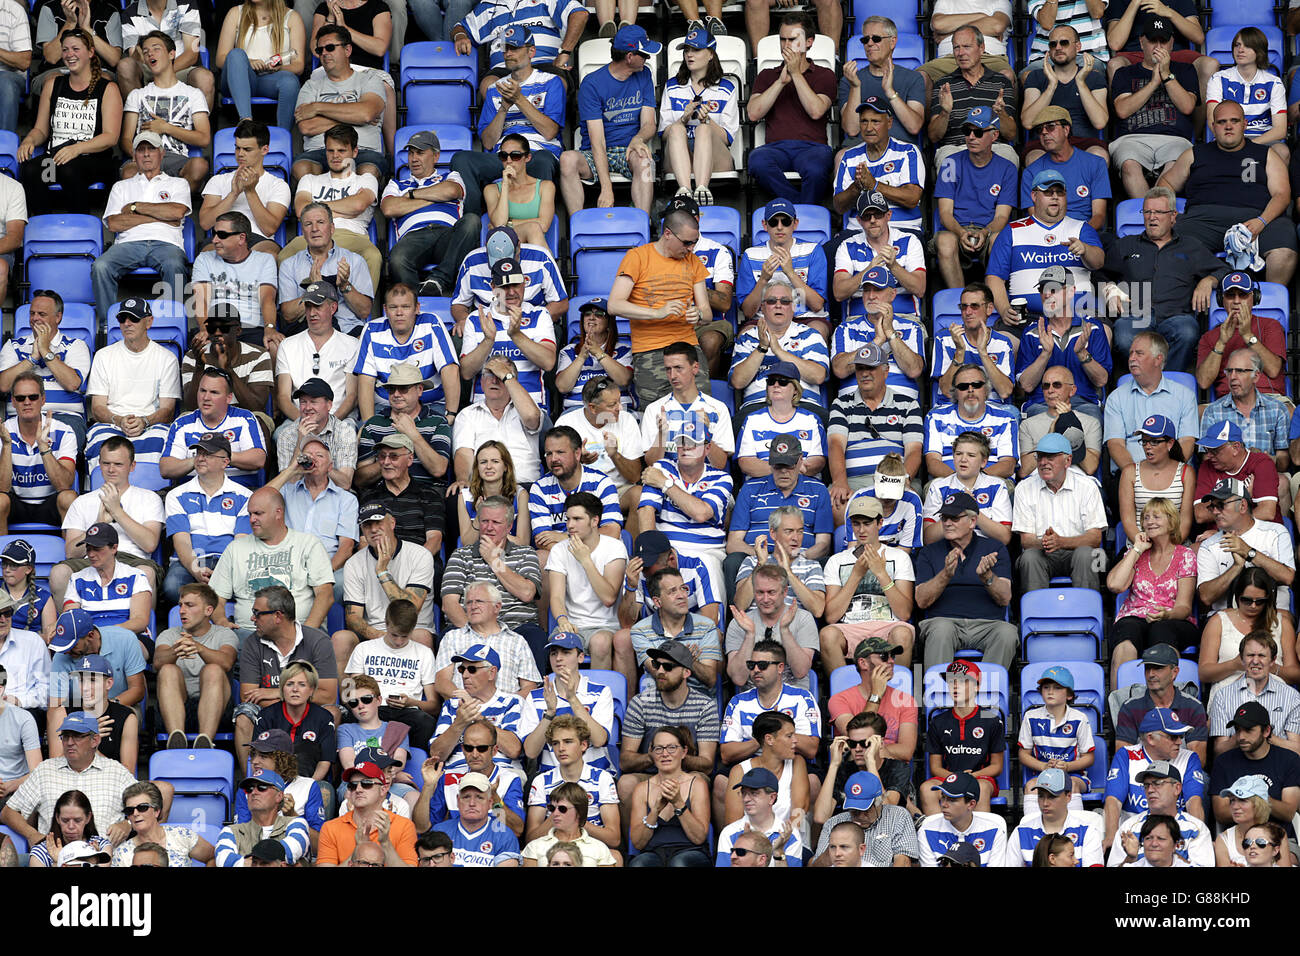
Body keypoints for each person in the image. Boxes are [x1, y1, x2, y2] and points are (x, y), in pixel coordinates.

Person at [1158, 100, 1296, 286]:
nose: (1228, 126)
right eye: (1222, 122)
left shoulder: (1266, 154)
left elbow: (1282, 195)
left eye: (1234, 121)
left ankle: (1267, 303)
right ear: (1213, 127)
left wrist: (1261, 221)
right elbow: (1166, 183)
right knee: (1170, 245)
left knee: (1284, 247)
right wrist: (1171, 212)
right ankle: (1189, 306)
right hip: (1202, 220)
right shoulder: (1195, 153)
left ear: (1244, 124)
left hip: (1255, 218)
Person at [1101, 186, 1225, 371]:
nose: (1152, 217)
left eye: (1159, 212)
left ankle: (1169, 383)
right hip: (1136, 315)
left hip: (1177, 316)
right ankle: (1145, 382)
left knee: (1188, 333)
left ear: (1173, 216)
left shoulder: (1190, 246)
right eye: (1148, 212)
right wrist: (1110, 289)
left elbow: (1225, 270)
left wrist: (1209, 280)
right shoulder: (1125, 245)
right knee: (1124, 336)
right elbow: (1099, 272)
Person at [454, 25, 564, 218]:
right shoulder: (495, 89)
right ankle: (473, 223)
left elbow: (550, 132)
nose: (508, 53)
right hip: (503, 157)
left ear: (531, 51)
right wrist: (504, 107)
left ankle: (538, 222)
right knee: (461, 160)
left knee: (544, 160)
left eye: (514, 48)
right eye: (505, 49)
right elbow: (487, 142)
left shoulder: (551, 82)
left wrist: (519, 100)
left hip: (536, 154)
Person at [607, 210, 714, 408]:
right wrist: (656, 313)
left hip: (687, 346)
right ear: (667, 234)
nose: (690, 249)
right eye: (686, 243)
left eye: (694, 243)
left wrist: (698, 314)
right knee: (657, 416)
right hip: (650, 350)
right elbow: (614, 305)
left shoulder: (693, 262)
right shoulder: (637, 257)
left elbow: (707, 312)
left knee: (700, 411)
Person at [17, 29, 122, 215]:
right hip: (56, 159)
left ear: (90, 52)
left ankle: (80, 225)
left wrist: (77, 149)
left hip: (92, 159)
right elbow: (41, 130)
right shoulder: (53, 84)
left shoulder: (107, 88)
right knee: (31, 170)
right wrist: (29, 140)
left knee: (69, 169)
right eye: (65, 50)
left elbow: (110, 137)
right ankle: (43, 225)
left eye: (75, 49)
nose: (69, 54)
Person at [90, 133, 191, 325]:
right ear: (134, 156)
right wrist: (160, 216)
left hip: (167, 243)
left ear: (162, 154)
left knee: (175, 266)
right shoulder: (121, 186)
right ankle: (108, 325)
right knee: (100, 266)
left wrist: (135, 208)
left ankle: (173, 323)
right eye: (141, 150)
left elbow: (177, 212)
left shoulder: (178, 183)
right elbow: (114, 223)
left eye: (151, 149)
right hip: (128, 244)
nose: (146, 154)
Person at [559, 24, 658, 214]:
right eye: (644, 54)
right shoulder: (592, 83)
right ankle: (578, 226)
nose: (648, 58)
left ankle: (643, 223)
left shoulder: (645, 74)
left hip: (628, 149)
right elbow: (598, 141)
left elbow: (649, 124)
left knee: (646, 160)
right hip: (597, 151)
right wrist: (606, 188)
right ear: (630, 57)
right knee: (567, 159)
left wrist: (638, 139)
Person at [915, 491, 1017, 672]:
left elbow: (1005, 598)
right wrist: (945, 574)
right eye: (944, 517)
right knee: (940, 630)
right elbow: (922, 601)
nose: (947, 523)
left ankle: (987, 696)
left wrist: (987, 577)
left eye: (954, 518)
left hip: (987, 624)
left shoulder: (994, 549)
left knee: (1007, 633)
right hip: (944, 621)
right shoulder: (929, 552)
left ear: (972, 521)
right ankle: (940, 697)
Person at [0, 711, 135, 845]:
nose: (69, 742)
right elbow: (8, 812)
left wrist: (128, 823)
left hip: (103, 859)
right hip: (54, 858)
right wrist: (32, 835)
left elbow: (150, 806)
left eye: (77, 736)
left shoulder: (116, 772)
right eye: (65, 736)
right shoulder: (45, 771)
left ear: (95, 740)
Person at [988, 174, 1105, 330]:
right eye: (1048, 192)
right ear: (1034, 196)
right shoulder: (1012, 230)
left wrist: (1085, 249)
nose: (1055, 197)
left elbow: (1098, 262)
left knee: (1104, 333)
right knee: (1006, 343)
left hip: (1078, 314)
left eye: (1060, 192)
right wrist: (1003, 309)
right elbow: (994, 278)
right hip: (1026, 317)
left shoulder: (1082, 228)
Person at [210, 488, 334, 633]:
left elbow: (325, 594)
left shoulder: (308, 544)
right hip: (248, 633)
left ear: (278, 513)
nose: (251, 519)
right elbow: (214, 597)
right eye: (250, 514)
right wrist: (221, 621)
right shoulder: (235, 548)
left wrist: (306, 633)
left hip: (298, 631)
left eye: (258, 513)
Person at [82, 297, 182, 473]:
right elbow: (97, 408)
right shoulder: (103, 356)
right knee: (100, 444)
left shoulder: (167, 359)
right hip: (111, 423)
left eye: (134, 318)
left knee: (161, 443)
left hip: (152, 425)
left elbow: (167, 411)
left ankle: (154, 497)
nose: (127, 323)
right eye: (122, 319)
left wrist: (144, 421)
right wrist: (119, 420)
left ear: (148, 322)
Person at [333, 504, 433, 677]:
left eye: (378, 523)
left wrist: (382, 572)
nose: (373, 530)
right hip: (375, 633)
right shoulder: (354, 563)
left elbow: (409, 610)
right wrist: (381, 636)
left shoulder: (420, 555)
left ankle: (420, 702)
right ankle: (347, 701)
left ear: (392, 523)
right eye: (367, 525)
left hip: (411, 631)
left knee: (421, 636)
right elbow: (353, 617)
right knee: (341, 639)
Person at [617, 641, 719, 809]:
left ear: (687, 672)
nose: (660, 671)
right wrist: (655, 757)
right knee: (626, 783)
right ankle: (632, 835)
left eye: (668, 667)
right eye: (657, 665)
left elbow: (707, 764)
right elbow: (625, 761)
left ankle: (693, 834)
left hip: (686, 775)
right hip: (650, 776)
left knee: (698, 779)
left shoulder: (704, 705)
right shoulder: (641, 702)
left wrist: (675, 758)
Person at [380, 130, 482, 298]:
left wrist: (412, 195)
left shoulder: (450, 176)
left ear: (436, 156)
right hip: (414, 236)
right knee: (397, 259)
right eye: (411, 153)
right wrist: (435, 198)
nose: (413, 159)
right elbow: (389, 208)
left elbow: (451, 190)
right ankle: (415, 300)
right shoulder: (397, 184)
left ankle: (438, 281)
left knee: (471, 221)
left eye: (420, 153)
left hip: (447, 235)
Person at [745, 14, 835, 204]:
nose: (786, 45)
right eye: (782, 39)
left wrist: (795, 74)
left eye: (793, 40)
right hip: (776, 148)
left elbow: (816, 111)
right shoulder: (768, 75)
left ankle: (796, 211)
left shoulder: (824, 74)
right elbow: (753, 113)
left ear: (809, 42)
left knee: (817, 169)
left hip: (813, 148)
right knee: (757, 161)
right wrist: (780, 82)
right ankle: (801, 209)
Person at [826, 345, 923, 521]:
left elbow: (914, 450)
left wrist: (903, 479)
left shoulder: (908, 404)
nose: (864, 373)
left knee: (909, 506)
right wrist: (840, 482)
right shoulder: (841, 404)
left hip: (895, 478)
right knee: (836, 504)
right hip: (855, 481)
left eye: (871, 368)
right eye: (860, 368)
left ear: (885, 372)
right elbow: (835, 445)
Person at [1108, 496, 1198, 685]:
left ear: (1171, 521)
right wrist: (1137, 549)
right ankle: (1120, 703)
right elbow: (1115, 585)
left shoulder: (1185, 555)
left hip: (1172, 619)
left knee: (1161, 630)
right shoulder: (1137, 553)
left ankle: (1168, 702)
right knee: (1127, 631)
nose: (1150, 522)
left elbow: (1184, 607)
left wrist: (1167, 614)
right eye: (1146, 517)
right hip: (1136, 616)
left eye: (1156, 517)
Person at [820, 497, 915, 672]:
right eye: (856, 524)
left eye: (867, 523)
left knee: (903, 633)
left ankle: (894, 693)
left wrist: (881, 573)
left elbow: (904, 613)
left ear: (880, 523)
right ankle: (846, 693)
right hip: (849, 627)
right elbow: (831, 616)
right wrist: (856, 574)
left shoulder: (899, 557)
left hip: (889, 625)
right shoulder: (836, 561)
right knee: (827, 635)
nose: (861, 530)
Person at [1107, 17, 1199, 199]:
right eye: (1152, 41)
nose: (1158, 46)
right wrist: (1153, 83)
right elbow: (1122, 110)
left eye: (1163, 41)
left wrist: (1166, 75)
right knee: (1129, 164)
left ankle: (1151, 214)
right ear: (1142, 43)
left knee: (1175, 165)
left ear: (1172, 44)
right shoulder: (1125, 73)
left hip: (1175, 138)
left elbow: (1188, 107)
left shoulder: (1185, 70)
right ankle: (1151, 216)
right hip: (1132, 139)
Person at [284, 124, 382, 289]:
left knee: (374, 256)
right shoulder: (309, 180)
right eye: (330, 151)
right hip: (312, 236)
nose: (335, 156)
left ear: (354, 152)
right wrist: (344, 210)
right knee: (284, 256)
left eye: (342, 151)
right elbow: (302, 211)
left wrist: (316, 208)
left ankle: (362, 309)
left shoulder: (366, 179)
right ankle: (294, 309)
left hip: (352, 236)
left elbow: (358, 205)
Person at [161, 432, 252, 605]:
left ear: (225, 462)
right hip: (190, 560)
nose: (201, 458)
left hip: (227, 559)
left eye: (208, 454)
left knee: (245, 588)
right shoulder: (176, 495)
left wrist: (223, 572)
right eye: (198, 453)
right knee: (172, 588)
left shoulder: (245, 496)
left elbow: (241, 543)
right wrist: (195, 569)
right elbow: (181, 542)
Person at [458, 258, 557, 413]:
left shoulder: (539, 314)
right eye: (504, 286)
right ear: (493, 287)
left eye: (516, 285)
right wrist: (488, 341)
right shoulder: (477, 318)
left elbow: (548, 362)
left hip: (530, 406)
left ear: (524, 283)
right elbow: (466, 373)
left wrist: (516, 335)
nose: (511, 292)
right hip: (484, 408)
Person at [826, 637, 918, 803]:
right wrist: (876, 694)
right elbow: (855, 738)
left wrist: (872, 752)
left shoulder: (906, 700)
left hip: (891, 771)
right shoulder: (839, 700)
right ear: (863, 663)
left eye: (892, 657)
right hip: (854, 771)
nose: (891, 662)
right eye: (884, 657)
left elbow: (906, 751)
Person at [1011, 267, 1110, 421]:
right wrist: (1045, 354)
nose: (1047, 294)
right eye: (1043, 290)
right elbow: (1027, 385)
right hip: (1041, 404)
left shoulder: (1093, 328)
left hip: (1082, 403)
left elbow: (1101, 380)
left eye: (1053, 289)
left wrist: (1082, 355)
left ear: (1071, 291)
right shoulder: (1032, 332)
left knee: (1091, 417)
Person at [290, 24, 385, 184]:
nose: (324, 54)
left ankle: (354, 207)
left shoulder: (370, 79)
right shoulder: (310, 86)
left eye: (330, 48)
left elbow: (366, 113)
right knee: (302, 168)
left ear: (347, 50)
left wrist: (317, 108)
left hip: (362, 150)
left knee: (368, 172)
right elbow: (307, 127)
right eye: (320, 50)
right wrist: (354, 116)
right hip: (319, 151)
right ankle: (317, 207)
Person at [1013, 432, 1107, 592]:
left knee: (1089, 555)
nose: (1043, 463)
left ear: (1068, 461)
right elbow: (1026, 541)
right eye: (1040, 457)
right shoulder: (1024, 487)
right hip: (1042, 554)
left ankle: (1087, 613)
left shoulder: (1087, 486)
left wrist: (1061, 542)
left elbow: (1095, 538)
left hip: (1078, 552)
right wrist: (1047, 542)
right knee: (1029, 557)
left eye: (1050, 457)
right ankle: (1036, 615)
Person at [1103, 707, 1205, 851]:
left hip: (1175, 838)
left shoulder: (1189, 757)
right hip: (1132, 836)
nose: (1179, 742)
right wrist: (1111, 837)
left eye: (1181, 736)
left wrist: (1198, 838)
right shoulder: (1126, 755)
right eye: (1172, 736)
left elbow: (1194, 802)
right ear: (1150, 738)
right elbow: (1113, 800)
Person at [118, 31, 209, 191]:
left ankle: (173, 204)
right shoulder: (137, 95)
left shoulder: (193, 94)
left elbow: (203, 139)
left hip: (176, 158)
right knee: (129, 172)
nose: (150, 54)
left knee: (199, 166)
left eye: (156, 49)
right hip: (144, 154)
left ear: (171, 54)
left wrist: (166, 128)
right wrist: (137, 155)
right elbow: (126, 138)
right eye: (145, 52)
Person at [547, 492, 627, 669]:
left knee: (600, 642)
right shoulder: (559, 550)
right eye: (568, 519)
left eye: (577, 519)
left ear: (594, 521)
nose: (570, 525)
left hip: (604, 626)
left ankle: (599, 695)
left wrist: (585, 560)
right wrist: (562, 621)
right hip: (571, 624)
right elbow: (556, 597)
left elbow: (608, 598)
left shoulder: (614, 548)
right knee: (561, 648)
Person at [660, 28, 738, 207]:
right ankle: (685, 190)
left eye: (696, 50)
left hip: (715, 158)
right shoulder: (672, 86)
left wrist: (707, 121)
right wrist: (683, 119)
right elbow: (664, 135)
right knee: (677, 128)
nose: (689, 55)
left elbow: (728, 138)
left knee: (703, 128)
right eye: (687, 50)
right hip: (679, 157)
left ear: (710, 54)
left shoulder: (726, 88)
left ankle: (702, 188)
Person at [154, 583, 238, 749]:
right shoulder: (169, 635)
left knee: (213, 668)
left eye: (190, 605)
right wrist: (177, 650)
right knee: (167, 669)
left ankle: (205, 741)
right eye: (180, 605)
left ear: (208, 610)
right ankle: (175, 739)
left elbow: (227, 662)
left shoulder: (224, 634)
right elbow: (157, 662)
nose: (182, 611)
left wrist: (199, 648)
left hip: (217, 710)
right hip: (175, 710)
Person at [933, 127, 1018, 291]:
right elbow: (944, 213)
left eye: (978, 133)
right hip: (955, 229)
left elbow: (1002, 216)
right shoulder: (949, 163)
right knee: (945, 241)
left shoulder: (1007, 168)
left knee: (999, 240)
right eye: (967, 132)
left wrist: (985, 232)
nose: (971, 137)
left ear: (994, 135)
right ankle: (961, 304)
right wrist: (961, 233)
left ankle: (993, 300)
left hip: (988, 230)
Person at [638, 419, 732, 564]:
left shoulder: (721, 478)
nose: (685, 447)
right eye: (681, 442)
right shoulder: (661, 468)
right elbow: (646, 510)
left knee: (707, 564)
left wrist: (665, 483)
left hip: (707, 552)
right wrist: (652, 552)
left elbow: (701, 513)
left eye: (693, 443)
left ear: (707, 448)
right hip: (666, 551)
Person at [199, 119, 291, 263]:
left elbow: (269, 228)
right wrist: (233, 194)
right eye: (237, 148)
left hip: (258, 239)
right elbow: (205, 223)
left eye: (247, 149)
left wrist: (250, 191)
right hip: (222, 236)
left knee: (269, 256)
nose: (240, 154)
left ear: (264, 150)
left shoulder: (278, 185)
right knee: (206, 256)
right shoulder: (218, 180)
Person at [0, 293, 90, 439]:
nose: (35, 318)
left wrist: (46, 351)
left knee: (52, 442)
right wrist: (33, 358)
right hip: (20, 417)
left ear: (58, 317)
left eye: (42, 314)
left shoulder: (76, 345)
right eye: (32, 313)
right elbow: (3, 385)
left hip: (64, 418)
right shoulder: (13, 345)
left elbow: (72, 383)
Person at [620, 567, 723, 694]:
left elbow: (710, 679)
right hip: (656, 701)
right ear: (658, 602)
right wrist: (686, 658)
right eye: (672, 591)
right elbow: (659, 673)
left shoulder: (706, 627)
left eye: (683, 588)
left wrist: (681, 660)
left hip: (699, 703)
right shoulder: (640, 631)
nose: (682, 596)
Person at [730, 281, 830, 412]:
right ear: (762, 307)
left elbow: (818, 376)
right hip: (758, 407)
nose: (778, 305)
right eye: (771, 301)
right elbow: (737, 381)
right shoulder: (747, 338)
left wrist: (778, 351)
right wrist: (762, 348)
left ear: (794, 307)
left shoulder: (810, 335)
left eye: (785, 301)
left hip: (803, 405)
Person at [832, 96, 925, 236]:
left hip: (902, 229)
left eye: (875, 121)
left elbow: (912, 198)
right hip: (859, 232)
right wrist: (856, 187)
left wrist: (874, 185)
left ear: (889, 123)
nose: (869, 128)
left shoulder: (907, 152)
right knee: (829, 251)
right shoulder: (849, 157)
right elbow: (839, 206)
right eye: (864, 121)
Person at [926, 25, 1019, 164]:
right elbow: (934, 137)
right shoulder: (943, 85)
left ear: (981, 48)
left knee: (1009, 156)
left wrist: (1001, 114)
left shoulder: (1001, 83)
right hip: (956, 148)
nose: (960, 52)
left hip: (994, 147)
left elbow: (1011, 134)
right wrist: (945, 112)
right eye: (956, 47)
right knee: (947, 160)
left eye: (967, 46)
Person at [1209, 701, 1300, 843]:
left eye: (1248, 730)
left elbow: (1288, 812)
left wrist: (1254, 797)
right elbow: (1220, 813)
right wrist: (1258, 802)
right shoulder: (1223, 762)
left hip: (1281, 838)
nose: (1241, 737)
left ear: (1266, 731)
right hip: (1238, 840)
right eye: (1238, 730)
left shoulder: (1289, 759)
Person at [921, 660, 1005, 813]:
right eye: (951, 681)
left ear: (977, 686)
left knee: (981, 788)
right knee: (927, 789)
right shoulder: (938, 721)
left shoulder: (991, 719)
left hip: (981, 778)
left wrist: (972, 777)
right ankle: (937, 834)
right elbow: (935, 767)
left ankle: (978, 836)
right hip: (948, 777)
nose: (955, 685)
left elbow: (997, 767)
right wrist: (956, 777)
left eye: (963, 681)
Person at [522, 713, 618, 846]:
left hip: (591, 848)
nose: (561, 748)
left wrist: (575, 818)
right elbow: (531, 840)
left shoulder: (602, 778)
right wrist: (557, 815)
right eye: (555, 743)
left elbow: (614, 839)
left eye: (568, 742)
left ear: (583, 745)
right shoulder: (541, 781)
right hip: (552, 849)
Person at [529, 426, 623, 561]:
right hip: (562, 559)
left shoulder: (601, 483)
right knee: (542, 557)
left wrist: (565, 536)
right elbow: (542, 540)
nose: (553, 459)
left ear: (577, 454)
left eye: (560, 452)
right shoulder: (539, 488)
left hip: (599, 555)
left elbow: (611, 531)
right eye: (548, 453)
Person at [0, 372, 78, 533]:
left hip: (49, 504)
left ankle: (71, 558)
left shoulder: (64, 431)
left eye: (33, 397)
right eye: (20, 398)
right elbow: (2, 488)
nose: (27, 402)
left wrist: (44, 448)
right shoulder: (3, 432)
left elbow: (64, 485)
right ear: (13, 402)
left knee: (69, 498)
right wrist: (7, 445)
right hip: (16, 504)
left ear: (43, 399)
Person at [1201, 570, 1300, 697]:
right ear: (1237, 597)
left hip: (1273, 694)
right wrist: (1234, 664)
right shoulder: (1219, 621)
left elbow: (1296, 674)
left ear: (1268, 599)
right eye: (1247, 600)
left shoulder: (1281, 623)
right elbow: (1204, 673)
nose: (1253, 606)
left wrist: (1272, 667)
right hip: (1229, 694)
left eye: (1259, 601)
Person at [279, 207, 374, 335]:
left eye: (320, 222)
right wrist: (314, 290)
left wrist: (345, 285)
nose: (314, 229)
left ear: (332, 228)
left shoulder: (355, 261)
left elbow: (364, 311)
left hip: (347, 331)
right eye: (308, 224)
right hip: (307, 333)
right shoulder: (289, 265)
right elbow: (288, 315)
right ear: (303, 231)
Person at [811, 753, 919, 866]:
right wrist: (835, 848)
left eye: (866, 809)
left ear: (879, 802)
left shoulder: (898, 816)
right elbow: (816, 865)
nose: (860, 815)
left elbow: (903, 861)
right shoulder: (834, 823)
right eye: (854, 810)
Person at [627, 725, 712, 867]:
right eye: (658, 749)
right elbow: (638, 843)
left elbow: (699, 837)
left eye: (672, 747)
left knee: (679, 863)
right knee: (639, 864)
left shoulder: (697, 784)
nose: (665, 754)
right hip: (653, 853)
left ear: (684, 752)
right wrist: (655, 811)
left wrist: (678, 803)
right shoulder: (642, 789)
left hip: (691, 851)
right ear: (651, 753)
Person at [641, 341, 735, 469]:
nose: (673, 376)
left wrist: (705, 435)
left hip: (705, 482)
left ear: (695, 368)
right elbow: (651, 464)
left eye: (678, 368)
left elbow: (720, 465)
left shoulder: (718, 408)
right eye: (668, 369)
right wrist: (661, 436)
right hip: (666, 480)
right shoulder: (654, 410)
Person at [159, 374, 267, 486]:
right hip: (192, 496)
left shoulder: (244, 418)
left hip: (239, 495)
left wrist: (219, 455)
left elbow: (258, 459)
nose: (206, 397)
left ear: (228, 398)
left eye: (214, 392)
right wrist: (199, 458)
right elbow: (166, 468)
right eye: (202, 391)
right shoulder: (182, 424)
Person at [274, 285, 360, 424]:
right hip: (299, 419)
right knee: (281, 435)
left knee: (347, 433)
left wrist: (329, 425)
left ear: (333, 308)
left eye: (317, 306)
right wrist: (304, 423)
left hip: (340, 420)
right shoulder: (287, 345)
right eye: (308, 306)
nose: (312, 313)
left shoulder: (352, 345)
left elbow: (352, 396)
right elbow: (283, 397)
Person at [724, 567, 817, 693]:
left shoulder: (803, 618)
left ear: (784, 592)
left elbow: (800, 671)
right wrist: (749, 635)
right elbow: (738, 678)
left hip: (794, 698)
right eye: (760, 592)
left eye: (771, 592)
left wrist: (785, 631)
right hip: (752, 701)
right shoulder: (739, 623)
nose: (765, 599)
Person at [452, 357, 543, 485]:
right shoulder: (467, 415)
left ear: (513, 381)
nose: (494, 380)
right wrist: (463, 480)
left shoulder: (525, 408)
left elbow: (531, 417)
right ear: (482, 381)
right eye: (489, 375)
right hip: (484, 489)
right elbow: (463, 453)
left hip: (525, 485)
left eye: (500, 376)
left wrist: (507, 377)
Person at [190, 230, 280, 360]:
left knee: (273, 345)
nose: (214, 239)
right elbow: (201, 299)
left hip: (252, 326)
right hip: (216, 326)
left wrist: (270, 327)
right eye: (214, 234)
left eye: (222, 235)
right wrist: (205, 328)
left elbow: (267, 298)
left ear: (241, 238)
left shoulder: (265, 259)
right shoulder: (204, 258)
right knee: (200, 346)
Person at [215, 0, 303, 131]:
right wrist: (248, 62)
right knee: (236, 54)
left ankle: (283, 136)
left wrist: (279, 67)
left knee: (290, 82)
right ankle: (246, 122)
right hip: (238, 77)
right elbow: (220, 59)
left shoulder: (292, 17)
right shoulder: (236, 13)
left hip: (269, 78)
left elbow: (298, 65)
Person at [1114, 644, 1209, 763]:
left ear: (1174, 672)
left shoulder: (1193, 707)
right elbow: (1123, 757)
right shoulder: (1130, 707)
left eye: (1158, 668)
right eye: (1147, 668)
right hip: (1142, 776)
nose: (1150, 674)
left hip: (1182, 775)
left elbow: (1198, 759)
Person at [1207, 633, 1300, 754]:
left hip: (1277, 765)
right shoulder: (1222, 696)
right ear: (1241, 659)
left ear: (1272, 660)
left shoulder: (1291, 696)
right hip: (1238, 765)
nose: (1255, 661)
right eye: (1250, 655)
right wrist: (1243, 733)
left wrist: (1265, 735)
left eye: (1261, 655)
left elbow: (1297, 750)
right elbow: (1219, 751)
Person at [1200, 348, 1291, 473]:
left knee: (1283, 483)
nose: (1232, 377)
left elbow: (1283, 460)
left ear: (1256, 376)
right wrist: (1241, 461)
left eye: (1240, 371)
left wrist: (1267, 460)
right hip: (1226, 477)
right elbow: (1206, 459)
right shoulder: (1213, 412)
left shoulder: (1277, 409)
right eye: (1229, 371)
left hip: (1266, 474)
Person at [357, 433, 445, 561]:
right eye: (382, 456)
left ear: (410, 459)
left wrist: (414, 565)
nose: (386, 462)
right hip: (380, 562)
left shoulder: (429, 495)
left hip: (419, 562)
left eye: (394, 456)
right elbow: (364, 541)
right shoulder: (370, 497)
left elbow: (434, 540)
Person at [1109, 761, 1212, 866]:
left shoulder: (1196, 828)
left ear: (1177, 788)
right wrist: (1131, 858)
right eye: (1146, 785)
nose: (1150, 790)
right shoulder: (1129, 828)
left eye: (1157, 783)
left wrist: (1168, 856)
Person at [924, 365, 1017, 479]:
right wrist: (959, 482)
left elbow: (1008, 465)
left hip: (994, 482)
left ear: (986, 390)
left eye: (977, 385)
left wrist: (976, 481)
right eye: (963, 386)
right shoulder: (936, 417)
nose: (970, 390)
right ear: (955, 392)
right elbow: (933, 463)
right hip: (946, 482)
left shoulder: (1006, 419)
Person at [1019, 665, 1096, 803]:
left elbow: (1089, 758)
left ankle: (1073, 825)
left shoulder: (1079, 718)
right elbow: (1023, 754)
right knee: (1031, 787)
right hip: (1044, 774)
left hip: (1074, 775)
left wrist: (1067, 766)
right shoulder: (1030, 717)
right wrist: (1043, 766)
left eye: (1057, 688)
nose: (1050, 692)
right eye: (1046, 687)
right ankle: (1031, 825)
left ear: (1069, 695)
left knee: (1071, 785)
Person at [732, 506, 826, 617]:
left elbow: (818, 610)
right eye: (789, 531)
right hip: (756, 626)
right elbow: (740, 605)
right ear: (773, 533)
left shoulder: (812, 566)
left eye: (800, 532)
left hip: (793, 628)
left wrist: (788, 572)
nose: (796, 538)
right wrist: (760, 565)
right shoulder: (752, 562)